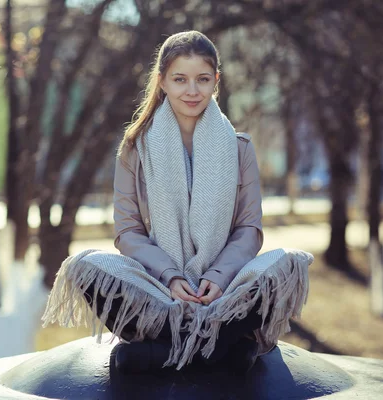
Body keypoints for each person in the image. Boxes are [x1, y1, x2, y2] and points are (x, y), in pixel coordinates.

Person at [42, 30, 313, 374]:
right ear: (162, 82)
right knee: (87, 265)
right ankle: (219, 347)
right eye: (180, 79)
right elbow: (128, 232)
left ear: (216, 81)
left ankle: (164, 348)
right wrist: (171, 277)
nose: (192, 90)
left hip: (224, 290)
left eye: (202, 79)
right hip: (158, 287)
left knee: (287, 263)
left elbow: (248, 229)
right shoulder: (134, 148)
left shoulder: (239, 147)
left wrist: (217, 276)